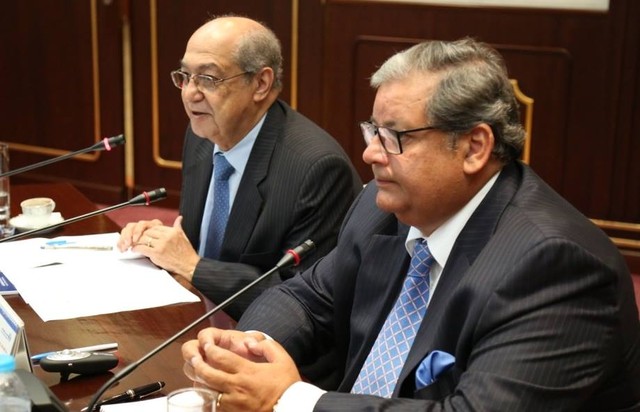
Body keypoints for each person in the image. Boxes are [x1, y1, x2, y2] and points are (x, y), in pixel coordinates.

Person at [181, 38, 640, 411]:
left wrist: (291, 399)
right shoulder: (382, 208)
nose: (370, 153)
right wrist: (243, 352)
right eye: (373, 130)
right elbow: (308, 297)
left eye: (394, 136)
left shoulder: (557, 265)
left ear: (474, 147)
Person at [117, 16, 362, 321]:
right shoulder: (202, 135)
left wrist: (193, 266)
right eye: (185, 76)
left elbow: (302, 301)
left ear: (260, 84)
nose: (190, 93)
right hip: (198, 314)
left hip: (267, 338)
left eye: (208, 79)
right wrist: (159, 243)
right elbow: (196, 245)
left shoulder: (316, 169)